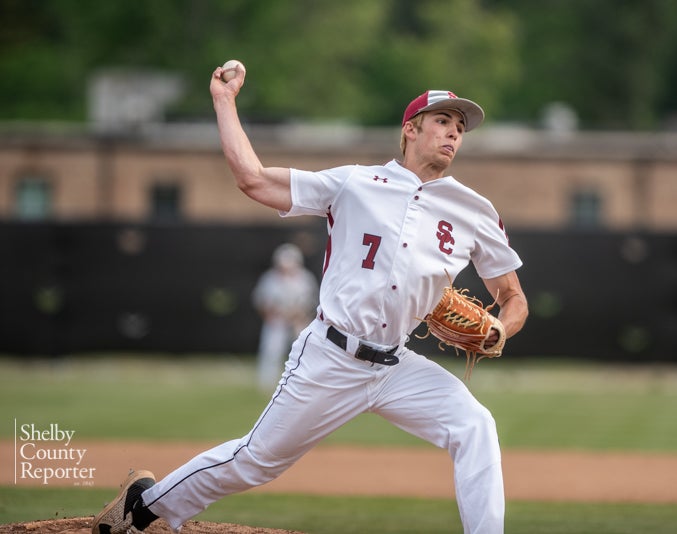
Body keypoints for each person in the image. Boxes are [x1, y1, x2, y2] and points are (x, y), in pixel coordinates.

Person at [91, 62, 529, 534]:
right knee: (256, 462)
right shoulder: (354, 183)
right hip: (330, 356)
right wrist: (224, 100)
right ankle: (144, 506)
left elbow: (513, 296)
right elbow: (252, 179)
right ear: (410, 130)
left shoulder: (475, 210)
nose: (453, 133)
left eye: (460, 127)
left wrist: (502, 326)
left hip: (397, 366)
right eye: (442, 121)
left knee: (475, 425)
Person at [251, 242, 318, 390]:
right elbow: (260, 300)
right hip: (277, 320)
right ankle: (266, 383)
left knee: (304, 351)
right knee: (271, 350)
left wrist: (300, 314)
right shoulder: (269, 279)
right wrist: (269, 313)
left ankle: (304, 381)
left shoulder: (305, 279)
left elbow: (312, 302)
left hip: (298, 320)